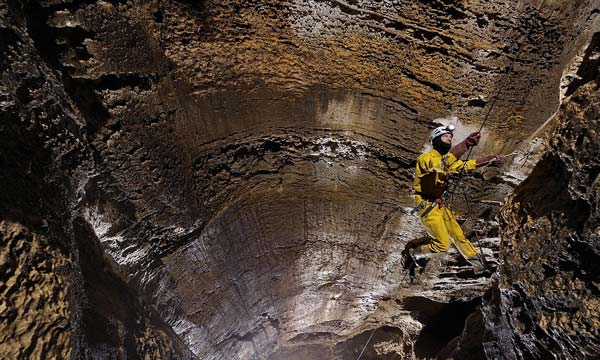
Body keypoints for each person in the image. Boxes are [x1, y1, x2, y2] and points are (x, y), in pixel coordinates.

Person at [409, 124, 502, 274]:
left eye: (451, 137)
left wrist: (490, 159)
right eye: (446, 136)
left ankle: (479, 266)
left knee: (459, 236)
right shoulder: (425, 158)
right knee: (442, 245)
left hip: (440, 204)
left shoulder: (448, 160)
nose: (449, 138)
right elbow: (440, 165)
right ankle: (417, 253)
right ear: (436, 140)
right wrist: (465, 144)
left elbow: (466, 165)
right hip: (426, 205)